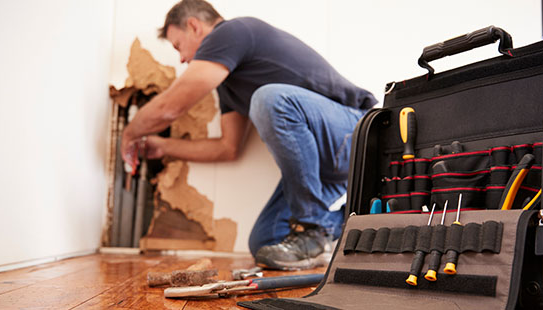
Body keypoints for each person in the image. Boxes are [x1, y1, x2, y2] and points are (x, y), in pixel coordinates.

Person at [121, 0, 377, 270]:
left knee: (269, 99)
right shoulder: (228, 85)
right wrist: (163, 147)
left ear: (194, 26)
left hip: (355, 133)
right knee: (266, 241)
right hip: (322, 166)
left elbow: (172, 106)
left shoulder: (232, 32)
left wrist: (130, 132)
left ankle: (313, 229)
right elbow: (227, 147)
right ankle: (355, 225)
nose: (182, 59)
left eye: (178, 46)